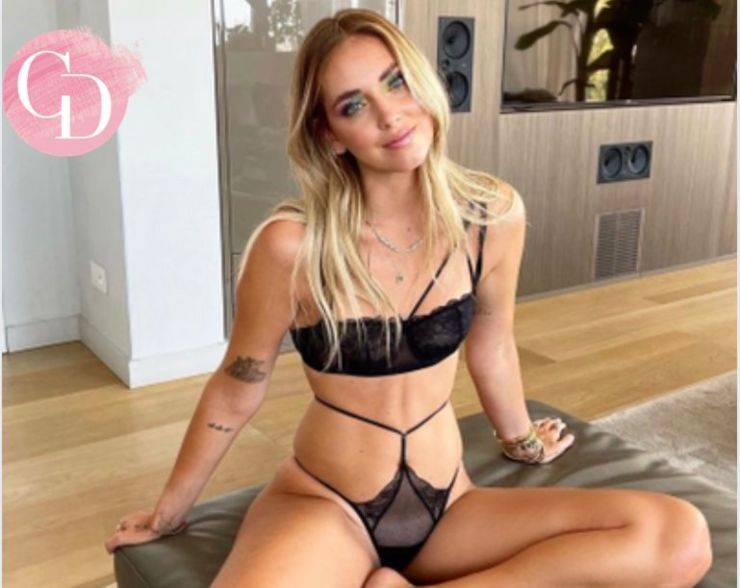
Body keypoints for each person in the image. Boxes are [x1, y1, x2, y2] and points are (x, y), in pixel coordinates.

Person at [104, 9, 713, 587]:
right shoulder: (292, 247)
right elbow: (238, 385)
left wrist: (523, 440)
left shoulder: (491, 217)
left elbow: (493, 342)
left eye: (395, 82)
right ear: (330, 134)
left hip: (450, 508)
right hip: (327, 506)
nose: (390, 114)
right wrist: (169, 510)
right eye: (353, 105)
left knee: (677, 538)